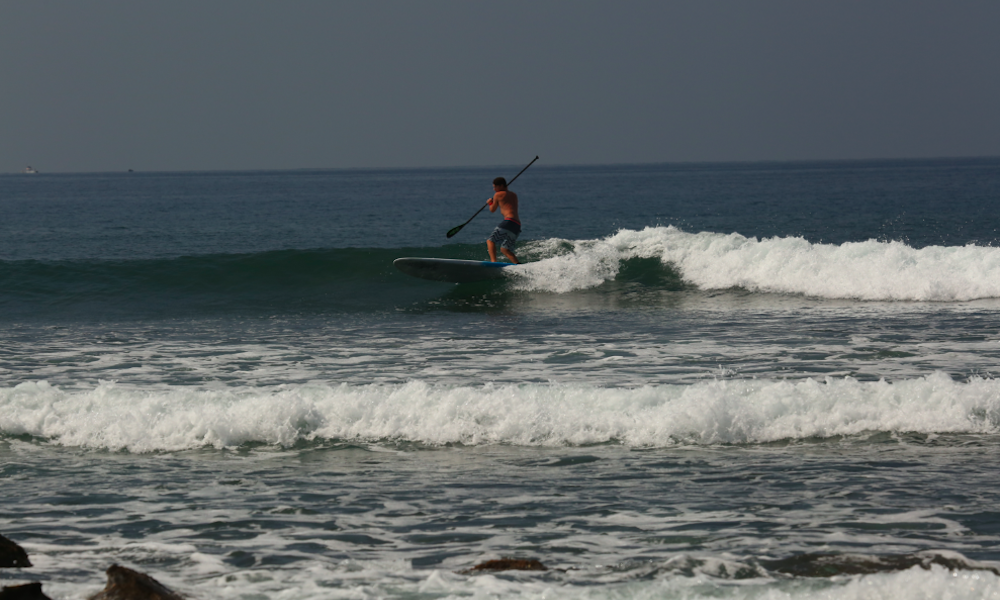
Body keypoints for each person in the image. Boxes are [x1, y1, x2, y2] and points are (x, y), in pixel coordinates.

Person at [486, 177, 521, 263]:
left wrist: (490, 203)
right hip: (517, 224)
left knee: (490, 241)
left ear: (501, 186)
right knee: (505, 249)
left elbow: (492, 210)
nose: (494, 189)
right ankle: (518, 264)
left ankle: (493, 262)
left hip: (509, 221)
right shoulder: (514, 195)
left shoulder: (498, 195)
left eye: (495, 187)